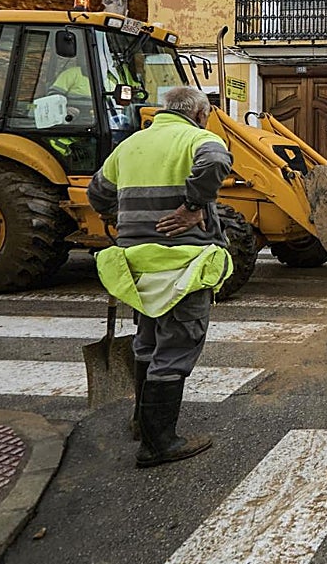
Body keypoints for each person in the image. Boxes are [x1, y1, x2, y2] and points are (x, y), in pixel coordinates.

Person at [87, 87, 234, 468]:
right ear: (200, 113)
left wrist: (121, 215)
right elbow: (218, 161)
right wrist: (193, 205)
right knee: (176, 348)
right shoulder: (199, 138)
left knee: (147, 342)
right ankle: (159, 444)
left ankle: (141, 422)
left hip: (138, 268)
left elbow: (97, 193)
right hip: (181, 265)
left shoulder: (130, 146)